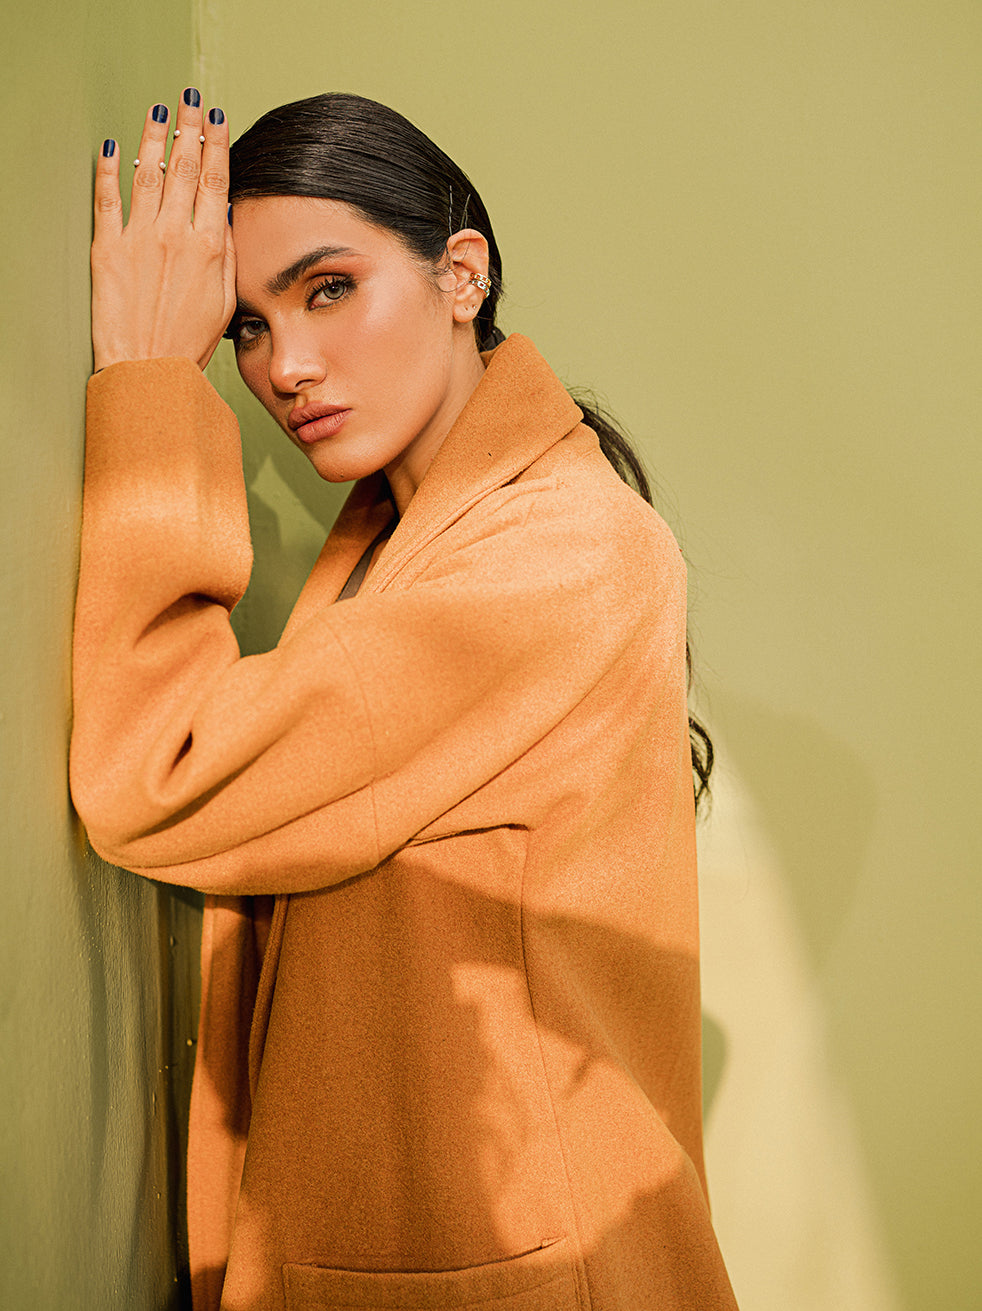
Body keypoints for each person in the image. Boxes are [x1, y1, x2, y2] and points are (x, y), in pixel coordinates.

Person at [72, 89, 737, 1311]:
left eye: (328, 289)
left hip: (531, 1269)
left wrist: (155, 384)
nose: (286, 367)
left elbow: (160, 774)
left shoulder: (562, 553)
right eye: (246, 327)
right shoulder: (404, 541)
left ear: (460, 274)